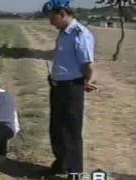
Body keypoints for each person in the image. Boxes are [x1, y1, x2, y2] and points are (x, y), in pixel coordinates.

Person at [40, 0, 97, 178]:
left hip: (72, 87)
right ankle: (60, 166)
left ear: (63, 13)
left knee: (71, 131)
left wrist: (86, 82)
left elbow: (88, 64)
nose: (50, 21)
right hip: (57, 87)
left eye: (52, 17)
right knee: (57, 129)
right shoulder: (64, 33)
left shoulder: (80, 34)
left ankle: (74, 173)